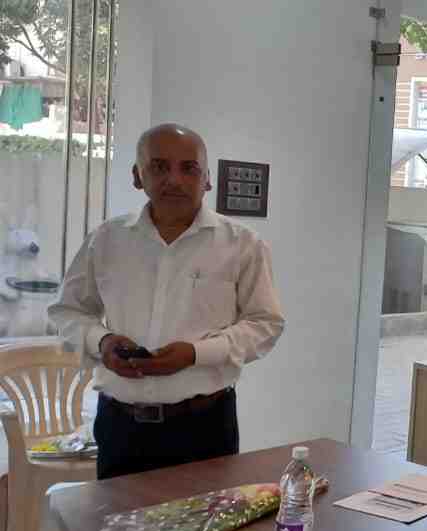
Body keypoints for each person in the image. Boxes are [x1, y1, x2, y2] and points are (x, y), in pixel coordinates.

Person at [48, 123, 284, 480]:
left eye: (189, 168)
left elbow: (265, 324)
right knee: (118, 517)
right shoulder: (106, 240)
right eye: (159, 167)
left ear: (207, 179)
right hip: (120, 429)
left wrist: (195, 354)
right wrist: (102, 342)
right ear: (137, 176)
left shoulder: (242, 245)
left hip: (204, 428)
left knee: (204, 519)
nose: (174, 180)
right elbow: (68, 311)